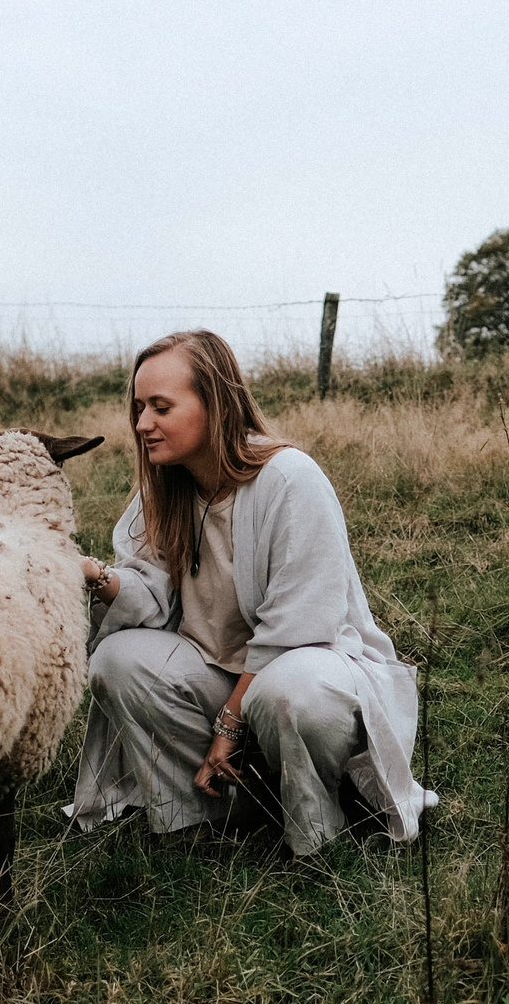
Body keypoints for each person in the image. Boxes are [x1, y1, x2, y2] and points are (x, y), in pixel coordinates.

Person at [69, 329, 432, 855]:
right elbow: (148, 598)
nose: (143, 424)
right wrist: (93, 573)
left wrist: (229, 724)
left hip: (310, 671)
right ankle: (203, 821)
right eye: (139, 407)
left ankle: (322, 830)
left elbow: (298, 624)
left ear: (214, 404)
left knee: (291, 691)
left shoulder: (288, 478)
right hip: (222, 676)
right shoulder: (165, 490)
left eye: (161, 407)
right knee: (119, 660)